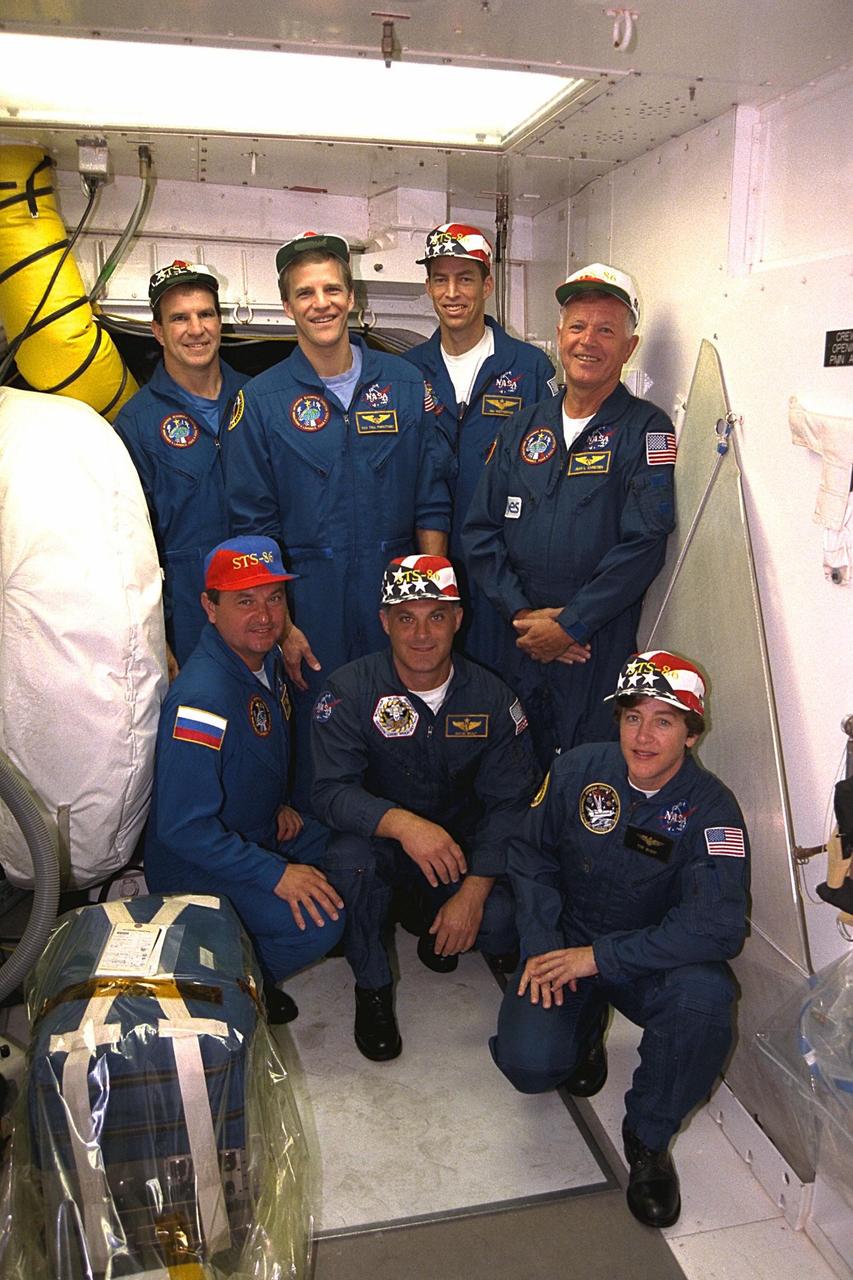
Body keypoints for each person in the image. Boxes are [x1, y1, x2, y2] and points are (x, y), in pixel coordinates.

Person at [491, 650, 750, 1228]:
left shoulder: (712, 810)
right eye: (633, 717)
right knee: (530, 1066)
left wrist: (601, 958)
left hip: (648, 957)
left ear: (691, 731)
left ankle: (649, 1140)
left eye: (664, 720)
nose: (644, 735)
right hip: (569, 938)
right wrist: (541, 943)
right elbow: (529, 855)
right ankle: (580, 1031)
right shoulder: (579, 768)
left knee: (706, 997)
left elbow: (716, 925)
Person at [224, 231, 452, 800]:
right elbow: (253, 530)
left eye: (331, 288)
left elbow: (431, 495)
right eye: (305, 293)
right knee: (320, 740)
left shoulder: (405, 384)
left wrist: (430, 604)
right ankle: (328, 867)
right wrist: (283, 627)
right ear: (287, 307)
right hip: (311, 604)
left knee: (405, 731)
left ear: (352, 297)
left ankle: (407, 860)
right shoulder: (263, 401)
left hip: (394, 592)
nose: (320, 302)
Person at [310, 555, 542, 1061]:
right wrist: (403, 824)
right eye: (406, 617)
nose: (421, 633)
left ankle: (437, 927)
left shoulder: (492, 699)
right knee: (348, 861)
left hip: (456, 858)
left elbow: (511, 804)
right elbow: (329, 791)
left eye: (435, 616)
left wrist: (474, 892)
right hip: (384, 852)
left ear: (458, 620)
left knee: (502, 919)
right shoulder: (349, 692)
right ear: (384, 622)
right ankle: (371, 986)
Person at [462, 263, 676, 763]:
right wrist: (522, 616)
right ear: (559, 336)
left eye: (606, 330)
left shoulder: (646, 429)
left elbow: (644, 543)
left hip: (594, 647)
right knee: (509, 769)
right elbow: (480, 532)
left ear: (630, 346)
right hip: (516, 641)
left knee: (585, 775)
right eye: (578, 326)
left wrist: (570, 626)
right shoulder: (521, 427)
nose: (589, 341)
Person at [144, 536, 345, 1023]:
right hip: (195, 866)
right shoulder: (201, 701)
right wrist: (275, 873)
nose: (264, 615)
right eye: (245, 600)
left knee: (350, 849)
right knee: (321, 922)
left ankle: (243, 958)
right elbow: (183, 828)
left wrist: (274, 805)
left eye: (274, 597)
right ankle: (230, 984)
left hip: (253, 827)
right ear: (209, 608)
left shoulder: (263, 659)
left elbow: (256, 753)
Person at [404, 223, 558, 670]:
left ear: (487, 285)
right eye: (440, 279)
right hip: (428, 575)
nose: (452, 292)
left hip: (508, 576)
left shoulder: (529, 367)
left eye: (465, 279)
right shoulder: (405, 374)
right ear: (429, 286)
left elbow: (552, 477)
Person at [114, 261, 247, 670]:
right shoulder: (136, 424)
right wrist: (158, 639)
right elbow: (129, 550)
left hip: (263, 608)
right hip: (187, 620)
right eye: (179, 318)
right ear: (157, 331)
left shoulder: (258, 400)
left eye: (206, 314)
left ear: (220, 322)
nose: (196, 329)